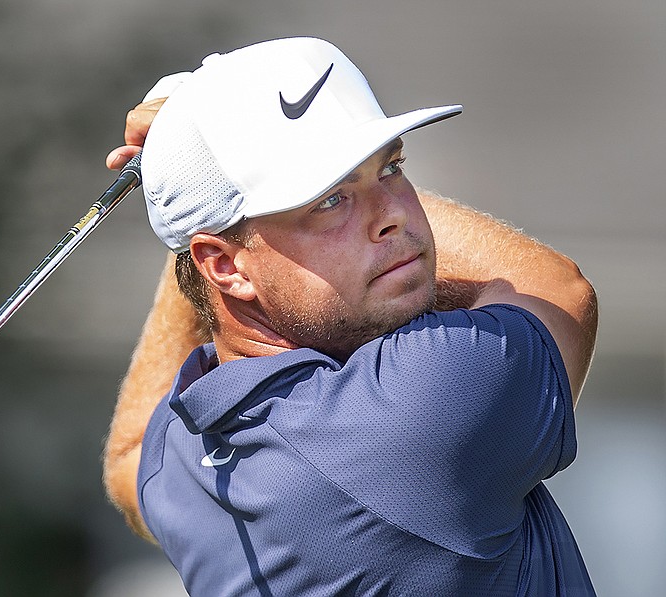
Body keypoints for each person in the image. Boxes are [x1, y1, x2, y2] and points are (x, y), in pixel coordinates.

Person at [102, 37, 598, 596]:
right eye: (330, 199)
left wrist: (196, 182)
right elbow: (555, 289)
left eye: (392, 167)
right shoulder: (421, 403)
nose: (394, 213)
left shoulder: (191, 457)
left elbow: (131, 458)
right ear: (225, 267)